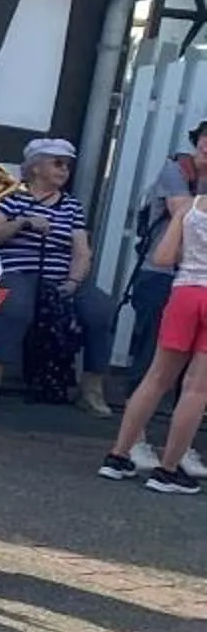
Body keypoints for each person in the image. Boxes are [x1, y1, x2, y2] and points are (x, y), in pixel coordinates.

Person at [0, 137, 117, 413]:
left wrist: (74, 281)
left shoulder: (70, 206)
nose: (64, 169)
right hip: (18, 271)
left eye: (67, 165)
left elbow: (81, 250)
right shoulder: (11, 198)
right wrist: (22, 223)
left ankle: (91, 387)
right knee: (16, 308)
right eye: (57, 163)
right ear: (36, 167)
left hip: (60, 276)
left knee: (101, 310)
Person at [101, 189, 207, 492]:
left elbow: (162, 257)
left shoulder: (191, 206)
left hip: (184, 292)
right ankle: (168, 470)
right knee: (197, 388)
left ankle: (118, 455)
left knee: (156, 377)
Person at [127, 120, 206, 379]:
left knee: (196, 358)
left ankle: (182, 411)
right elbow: (185, 218)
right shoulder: (176, 170)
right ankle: (134, 405)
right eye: (205, 136)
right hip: (160, 271)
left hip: (196, 278)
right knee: (152, 350)